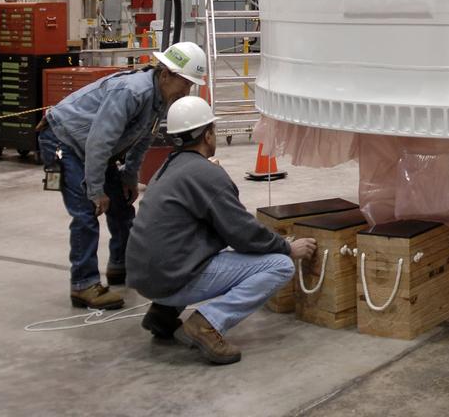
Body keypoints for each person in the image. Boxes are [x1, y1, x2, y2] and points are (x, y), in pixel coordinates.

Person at [127, 96, 316, 365]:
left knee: (193, 246)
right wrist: (287, 247)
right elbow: (243, 233)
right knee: (279, 265)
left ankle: (163, 314)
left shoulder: (167, 168)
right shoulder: (206, 174)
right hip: (172, 277)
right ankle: (207, 324)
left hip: (145, 276)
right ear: (207, 135)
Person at [37, 42, 207, 310]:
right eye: (185, 83)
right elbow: (99, 142)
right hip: (65, 141)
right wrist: (95, 190)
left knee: (122, 208)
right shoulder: (132, 91)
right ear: (166, 74)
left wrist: (129, 176)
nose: (187, 90)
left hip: (92, 147)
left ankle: (121, 265)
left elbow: (142, 139)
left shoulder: (161, 97)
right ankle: (83, 285)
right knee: (86, 212)